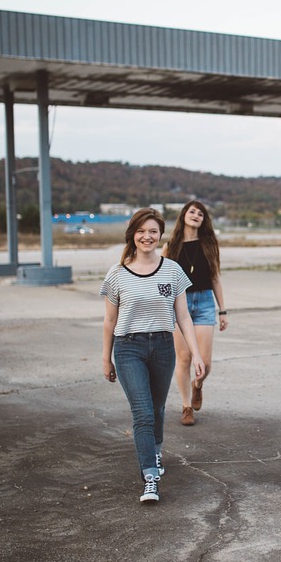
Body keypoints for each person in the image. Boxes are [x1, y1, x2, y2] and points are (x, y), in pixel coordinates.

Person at [100, 208, 205, 504]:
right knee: (143, 412)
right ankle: (149, 476)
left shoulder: (172, 270)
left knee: (157, 409)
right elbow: (109, 320)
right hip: (128, 347)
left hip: (162, 346)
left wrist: (196, 354)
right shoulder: (117, 273)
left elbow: (183, 316)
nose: (147, 237)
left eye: (153, 231)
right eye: (142, 231)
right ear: (132, 234)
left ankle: (155, 451)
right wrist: (106, 358)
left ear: (160, 235)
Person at [163, 201, 228, 427]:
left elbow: (216, 279)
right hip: (178, 305)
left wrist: (223, 310)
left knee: (205, 362)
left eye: (201, 213)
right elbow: (164, 280)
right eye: (192, 211)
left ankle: (197, 386)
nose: (196, 215)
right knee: (184, 358)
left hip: (204, 304)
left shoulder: (210, 245)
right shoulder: (170, 246)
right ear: (183, 216)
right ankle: (186, 406)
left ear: (204, 220)